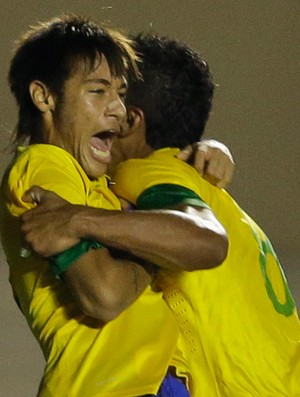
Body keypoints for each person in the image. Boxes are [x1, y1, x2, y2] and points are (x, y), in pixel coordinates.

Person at [22, 33, 300, 396]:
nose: (111, 110)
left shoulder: (142, 172)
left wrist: (78, 218)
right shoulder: (201, 181)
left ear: (133, 120)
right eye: (99, 93)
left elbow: (206, 240)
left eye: (117, 96)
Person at [0, 15, 233, 397]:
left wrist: (213, 149)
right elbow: (105, 295)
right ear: (44, 96)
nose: (119, 110)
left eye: (121, 93)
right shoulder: (43, 166)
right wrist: (159, 249)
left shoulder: (97, 185)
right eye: (98, 91)